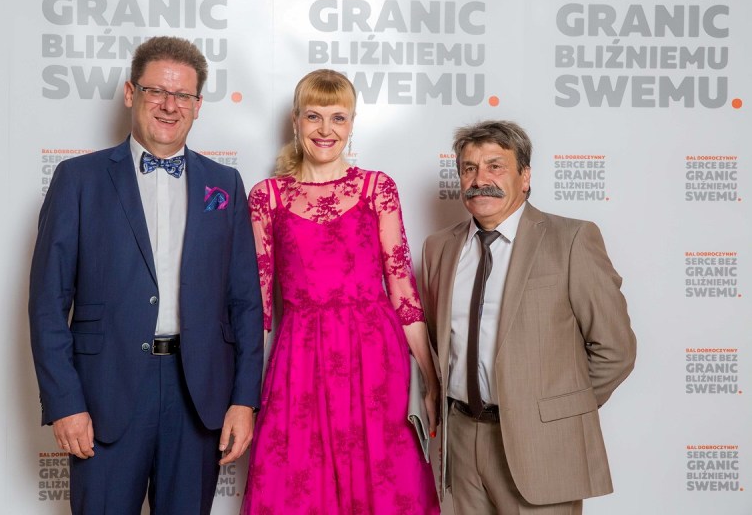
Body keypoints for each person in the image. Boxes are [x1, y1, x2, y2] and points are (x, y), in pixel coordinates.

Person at [28, 36, 263, 514]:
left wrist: (244, 400)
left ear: (198, 105)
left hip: (198, 395)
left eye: (183, 95)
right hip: (105, 393)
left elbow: (245, 302)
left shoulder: (225, 184)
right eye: (157, 91)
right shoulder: (78, 179)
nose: (169, 106)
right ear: (131, 93)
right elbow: (47, 302)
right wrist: (65, 401)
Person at [241, 69, 440, 514]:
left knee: (385, 487)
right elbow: (260, 307)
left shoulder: (377, 188)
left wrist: (430, 380)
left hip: (376, 360)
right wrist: (242, 392)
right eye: (314, 116)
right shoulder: (266, 196)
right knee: (295, 487)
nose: (325, 130)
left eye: (338, 117)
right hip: (299, 360)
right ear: (295, 120)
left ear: (352, 124)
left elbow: (404, 293)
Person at [421, 120, 636, 514]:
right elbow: (438, 340)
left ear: (525, 176)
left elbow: (615, 350)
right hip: (462, 441)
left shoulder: (571, 240)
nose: (480, 180)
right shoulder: (439, 248)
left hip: (541, 446)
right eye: (469, 168)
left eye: (495, 166)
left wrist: (554, 413)